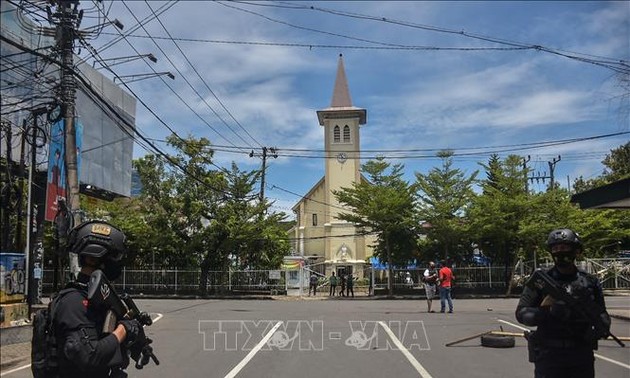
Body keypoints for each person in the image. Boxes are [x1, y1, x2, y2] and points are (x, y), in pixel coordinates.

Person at [52, 221, 146, 377]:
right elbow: (89, 356)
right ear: (93, 259)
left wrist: (136, 344)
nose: (117, 264)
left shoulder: (98, 299)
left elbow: (107, 340)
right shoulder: (74, 301)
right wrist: (124, 329)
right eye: (113, 257)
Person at [516, 228, 611, 378]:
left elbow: (601, 312)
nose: (560, 252)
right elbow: (522, 313)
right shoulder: (541, 280)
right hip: (550, 355)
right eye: (556, 248)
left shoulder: (589, 282)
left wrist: (602, 326)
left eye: (565, 247)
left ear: (576, 251)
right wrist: (547, 312)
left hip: (581, 354)